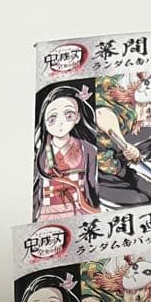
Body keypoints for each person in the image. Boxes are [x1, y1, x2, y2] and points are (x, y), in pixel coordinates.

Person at [95, 74, 151, 207]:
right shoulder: (126, 110)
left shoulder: (131, 119)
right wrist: (124, 145)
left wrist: (132, 153)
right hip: (100, 172)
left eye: (148, 115)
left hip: (116, 165)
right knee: (144, 200)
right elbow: (102, 115)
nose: (144, 117)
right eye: (147, 110)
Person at [33, 84, 99, 219]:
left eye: (69, 115)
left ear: (78, 117)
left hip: (80, 209)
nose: (60, 123)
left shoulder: (88, 149)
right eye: (52, 118)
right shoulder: (40, 152)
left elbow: (93, 184)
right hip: (48, 212)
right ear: (44, 121)